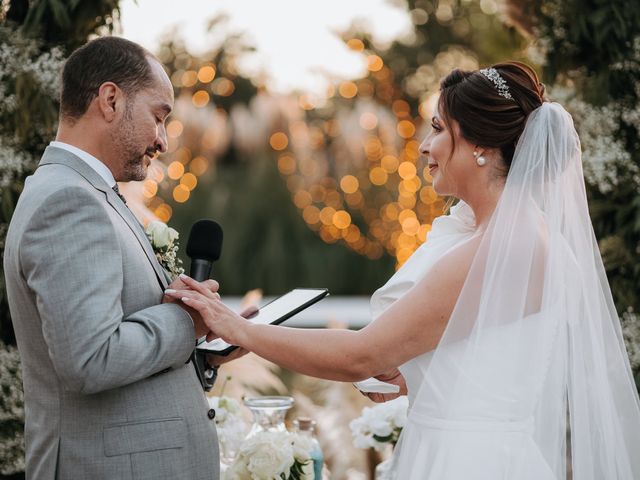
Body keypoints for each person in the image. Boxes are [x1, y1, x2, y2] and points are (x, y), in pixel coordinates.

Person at [167, 62, 640, 478]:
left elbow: (361, 355)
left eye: (438, 128)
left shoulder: (508, 245)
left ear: (479, 144)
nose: (425, 146)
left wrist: (234, 327)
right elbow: (497, 349)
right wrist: (420, 376)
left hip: (471, 463)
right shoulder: (508, 237)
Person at [4, 36, 240, 479]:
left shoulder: (91, 195)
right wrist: (185, 324)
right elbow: (90, 358)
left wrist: (204, 348)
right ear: (110, 100)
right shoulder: (69, 201)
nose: (163, 141)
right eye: (159, 116)